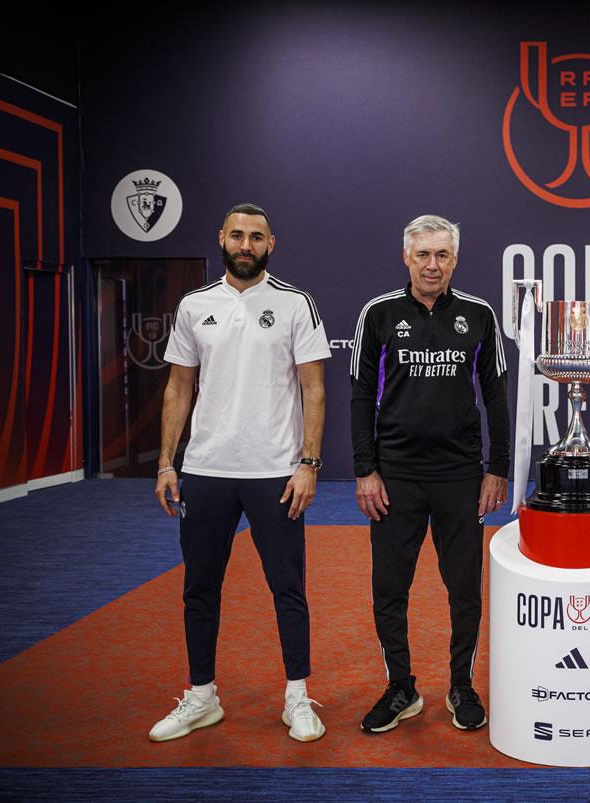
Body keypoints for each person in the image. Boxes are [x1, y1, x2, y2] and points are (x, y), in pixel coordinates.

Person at [150, 203, 330, 743]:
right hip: (205, 470)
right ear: (221, 239)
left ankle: (297, 697)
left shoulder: (297, 303)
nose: (245, 244)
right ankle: (202, 696)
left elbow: (313, 388)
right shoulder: (194, 305)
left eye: (255, 237)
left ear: (271, 243)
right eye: (236, 235)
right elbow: (179, 387)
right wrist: (166, 462)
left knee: (288, 589)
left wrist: (308, 463)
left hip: (276, 472)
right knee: (199, 588)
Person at [351, 214, 509, 733]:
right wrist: (365, 470)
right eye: (423, 254)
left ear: (455, 259)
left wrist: (497, 469)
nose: (432, 265)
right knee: (389, 590)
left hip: (460, 475)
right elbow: (358, 398)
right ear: (406, 257)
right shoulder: (376, 314)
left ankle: (461, 684)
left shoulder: (479, 315)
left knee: (463, 588)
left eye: (442, 255)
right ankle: (401, 687)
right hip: (394, 478)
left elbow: (495, 397)